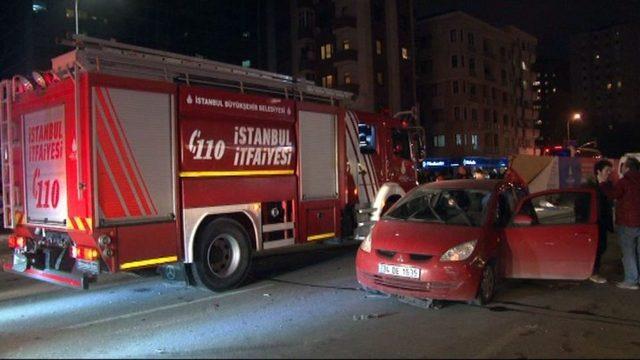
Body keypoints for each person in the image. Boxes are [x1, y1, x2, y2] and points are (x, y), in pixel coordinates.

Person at [601, 157, 640, 290]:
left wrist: (603, 184)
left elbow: (612, 195)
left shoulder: (625, 181)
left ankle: (631, 280)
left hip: (628, 222)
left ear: (628, 168)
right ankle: (636, 278)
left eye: (623, 165)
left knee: (628, 252)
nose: (621, 168)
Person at [586, 160, 614, 284]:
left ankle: (594, 270)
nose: (609, 173)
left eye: (610, 171)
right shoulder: (590, 187)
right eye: (607, 171)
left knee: (602, 247)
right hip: (593, 223)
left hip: (603, 222)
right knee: (595, 248)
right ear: (598, 171)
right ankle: (593, 273)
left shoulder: (607, 185)